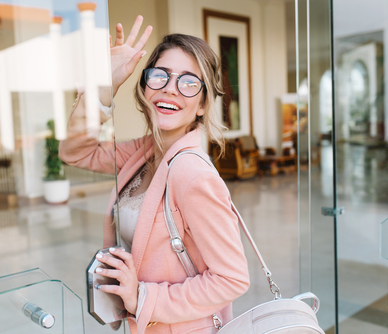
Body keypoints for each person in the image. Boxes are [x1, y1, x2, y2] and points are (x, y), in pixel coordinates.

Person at [59, 15, 249, 334]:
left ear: (203, 104)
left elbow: (232, 277)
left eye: (189, 82)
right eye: (160, 75)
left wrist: (143, 296)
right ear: (146, 85)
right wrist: (106, 86)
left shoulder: (192, 173)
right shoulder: (144, 152)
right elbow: (76, 152)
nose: (171, 89)